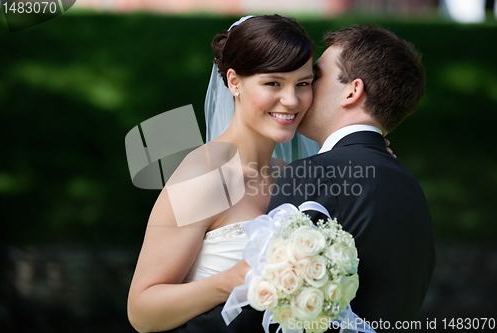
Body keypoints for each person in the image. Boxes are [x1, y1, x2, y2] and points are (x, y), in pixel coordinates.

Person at [127, 15, 316, 333]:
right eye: (273, 83)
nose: (292, 100)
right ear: (233, 82)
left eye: (303, 83)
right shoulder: (204, 176)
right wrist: (229, 281)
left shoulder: (292, 178)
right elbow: (142, 310)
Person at [267, 25, 436, 330]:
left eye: (315, 77)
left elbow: (273, 309)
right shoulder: (413, 190)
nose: (302, 87)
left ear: (352, 91)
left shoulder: (313, 173)